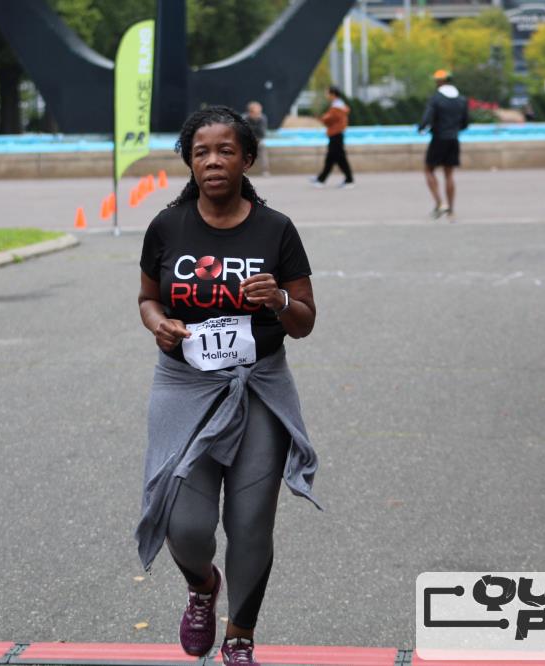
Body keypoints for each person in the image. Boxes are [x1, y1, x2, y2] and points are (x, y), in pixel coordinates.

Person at [136, 105, 321, 666]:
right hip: (184, 385)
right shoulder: (167, 226)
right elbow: (147, 298)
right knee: (185, 524)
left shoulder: (276, 229)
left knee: (250, 523)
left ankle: (240, 635)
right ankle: (202, 587)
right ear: (190, 163)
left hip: (258, 386)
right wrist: (158, 324)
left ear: (247, 159)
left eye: (225, 151)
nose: (213, 161)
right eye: (201, 152)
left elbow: (304, 320)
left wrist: (279, 300)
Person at [417, 69, 469, 220]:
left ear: (440, 82)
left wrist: (422, 128)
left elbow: (426, 119)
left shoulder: (436, 99)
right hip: (454, 139)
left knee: (429, 170)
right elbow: (465, 123)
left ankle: (440, 203)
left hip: (439, 138)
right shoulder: (461, 99)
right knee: (449, 175)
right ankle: (451, 210)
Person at [311, 85, 353, 188]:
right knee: (332, 158)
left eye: (328, 93)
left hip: (336, 134)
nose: (327, 95)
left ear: (333, 94)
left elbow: (329, 119)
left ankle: (348, 180)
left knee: (338, 158)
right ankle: (321, 179)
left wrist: (323, 118)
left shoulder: (337, 107)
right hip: (336, 134)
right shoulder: (338, 105)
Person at [245, 101, 269, 176]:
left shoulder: (262, 118)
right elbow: (245, 132)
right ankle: (242, 169)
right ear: (250, 112)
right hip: (248, 140)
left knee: (262, 146)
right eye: (255, 113)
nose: (257, 114)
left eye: (258, 112)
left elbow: (262, 133)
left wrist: (256, 122)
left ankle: (265, 170)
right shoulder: (245, 118)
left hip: (259, 139)